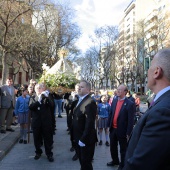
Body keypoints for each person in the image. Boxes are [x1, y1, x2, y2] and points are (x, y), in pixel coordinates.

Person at [123, 49, 170, 170]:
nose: (146, 72)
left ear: (156, 72)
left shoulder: (163, 111)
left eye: (149, 68)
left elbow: (140, 165)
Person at [107, 84, 134, 170]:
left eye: (120, 90)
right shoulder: (114, 101)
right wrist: (108, 126)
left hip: (122, 130)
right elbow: (111, 114)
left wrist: (128, 133)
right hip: (113, 129)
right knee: (112, 147)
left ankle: (122, 165)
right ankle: (115, 161)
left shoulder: (130, 104)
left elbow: (131, 120)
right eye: (117, 89)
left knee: (123, 149)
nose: (118, 91)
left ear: (125, 92)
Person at [72, 80, 97, 170]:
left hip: (86, 139)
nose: (79, 88)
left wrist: (83, 139)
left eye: (81, 87)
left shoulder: (90, 102)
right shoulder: (80, 100)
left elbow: (90, 123)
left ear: (88, 90)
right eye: (79, 86)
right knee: (83, 163)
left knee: (86, 163)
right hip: (79, 137)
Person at [29, 83, 54, 162]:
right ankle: (38, 152)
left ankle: (49, 154)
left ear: (43, 89)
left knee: (47, 138)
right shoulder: (33, 97)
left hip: (46, 122)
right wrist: (38, 102)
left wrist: (46, 97)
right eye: (37, 88)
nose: (38, 89)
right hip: (36, 122)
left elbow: (52, 105)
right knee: (36, 138)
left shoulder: (47, 96)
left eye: (40, 88)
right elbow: (31, 107)